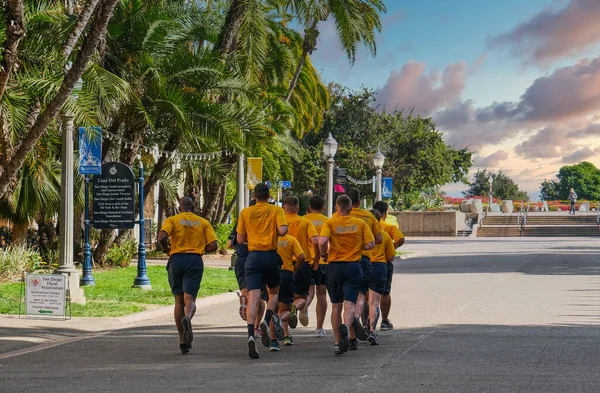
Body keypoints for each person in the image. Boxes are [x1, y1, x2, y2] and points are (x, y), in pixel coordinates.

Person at [158, 196, 218, 355]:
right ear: (194, 207)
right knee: (189, 299)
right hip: (194, 260)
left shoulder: (173, 220)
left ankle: (182, 340)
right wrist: (202, 249)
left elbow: (162, 237)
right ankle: (188, 318)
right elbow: (213, 245)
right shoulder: (203, 222)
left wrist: (166, 249)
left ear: (180, 207)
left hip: (176, 259)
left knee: (178, 300)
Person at [237, 183, 288, 359]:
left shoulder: (245, 212)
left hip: (253, 257)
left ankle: (251, 333)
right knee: (273, 293)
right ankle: (266, 321)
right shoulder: (276, 210)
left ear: (255, 196)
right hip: (270, 256)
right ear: (268, 196)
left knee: (253, 296)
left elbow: (240, 238)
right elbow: (283, 231)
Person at [320, 195, 375, 355]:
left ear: (337, 208)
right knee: (349, 304)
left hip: (334, 267)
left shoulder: (330, 222)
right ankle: (347, 324)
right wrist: (359, 245)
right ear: (351, 208)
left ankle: (338, 342)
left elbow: (322, 241)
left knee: (336, 306)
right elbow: (371, 243)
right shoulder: (360, 223)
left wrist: (324, 255)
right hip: (353, 266)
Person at [335, 188, 382, 341]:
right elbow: (378, 239)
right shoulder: (368, 216)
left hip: (342, 261)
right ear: (359, 201)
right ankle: (354, 319)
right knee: (361, 295)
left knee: (346, 299)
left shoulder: (337, 216)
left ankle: (350, 336)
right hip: (364, 260)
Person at [283, 195, 319, 346]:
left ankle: (286, 335)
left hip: (282, 264)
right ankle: (295, 307)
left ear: (284, 207)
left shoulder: (279, 222)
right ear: (297, 208)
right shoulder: (305, 222)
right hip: (302, 262)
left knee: (282, 301)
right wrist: (317, 259)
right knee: (301, 297)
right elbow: (316, 241)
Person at [228, 200, 266, 338]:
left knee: (247, 291)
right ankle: (256, 328)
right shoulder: (265, 222)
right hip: (258, 259)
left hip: (242, 260)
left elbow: (230, 243)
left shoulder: (242, 220)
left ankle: (244, 297)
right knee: (258, 296)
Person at [373, 201, 405, 331]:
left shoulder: (365, 225)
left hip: (365, 262)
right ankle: (384, 321)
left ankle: (366, 322)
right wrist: (393, 246)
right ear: (384, 214)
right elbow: (401, 239)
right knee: (385, 292)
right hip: (383, 263)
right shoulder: (388, 227)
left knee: (364, 294)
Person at [270, 234, 305, 351]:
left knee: (272, 308)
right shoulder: (291, 239)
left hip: (270, 274)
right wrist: (294, 270)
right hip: (286, 274)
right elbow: (301, 257)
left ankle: (273, 342)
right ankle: (281, 323)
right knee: (286, 310)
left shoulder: (268, 237)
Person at [367, 209, 396, 344]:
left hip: (363, 265)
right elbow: (391, 256)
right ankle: (372, 330)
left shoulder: (362, 234)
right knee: (374, 302)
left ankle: (361, 325)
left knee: (361, 299)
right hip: (379, 267)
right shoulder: (384, 235)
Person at [303, 195, 329, 337]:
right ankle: (319, 328)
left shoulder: (303, 220)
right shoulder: (327, 221)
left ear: (309, 207)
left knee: (307, 291)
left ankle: (303, 306)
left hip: (307, 261)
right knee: (322, 295)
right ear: (323, 207)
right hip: (323, 262)